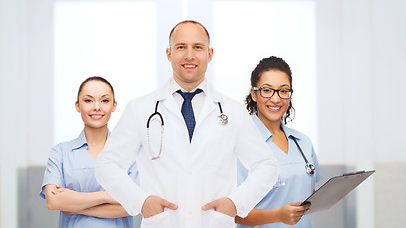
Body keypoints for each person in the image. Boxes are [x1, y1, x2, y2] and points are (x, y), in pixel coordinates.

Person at [95, 20, 279, 228]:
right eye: (181, 47)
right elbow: (106, 165)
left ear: (209, 54)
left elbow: (266, 165)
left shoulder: (232, 110)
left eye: (197, 47)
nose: (189, 56)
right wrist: (141, 201)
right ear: (168, 53)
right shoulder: (140, 109)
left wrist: (236, 203)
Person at [40, 76, 138, 228]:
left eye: (105, 100)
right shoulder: (60, 152)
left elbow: (132, 205)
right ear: (77, 106)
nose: (97, 107)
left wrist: (74, 204)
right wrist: (109, 196)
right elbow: (53, 201)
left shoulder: (129, 153)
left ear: (114, 105)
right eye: (88, 100)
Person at [236, 56, 322, 228]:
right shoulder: (240, 142)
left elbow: (308, 192)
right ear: (254, 94)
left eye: (283, 91)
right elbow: (234, 212)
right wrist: (278, 215)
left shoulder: (303, 142)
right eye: (267, 90)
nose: (276, 99)